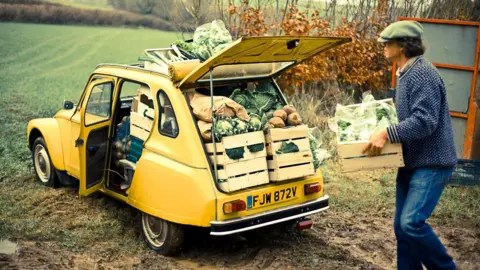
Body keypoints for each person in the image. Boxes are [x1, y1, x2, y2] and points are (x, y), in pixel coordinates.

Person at [362, 20, 458, 269]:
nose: (383, 46)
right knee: (401, 229)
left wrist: (387, 132)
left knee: (411, 223)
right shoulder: (404, 73)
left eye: (388, 42)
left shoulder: (423, 74)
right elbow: (406, 117)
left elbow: (425, 121)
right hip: (411, 162)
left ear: (403, 45)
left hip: (432, 163)